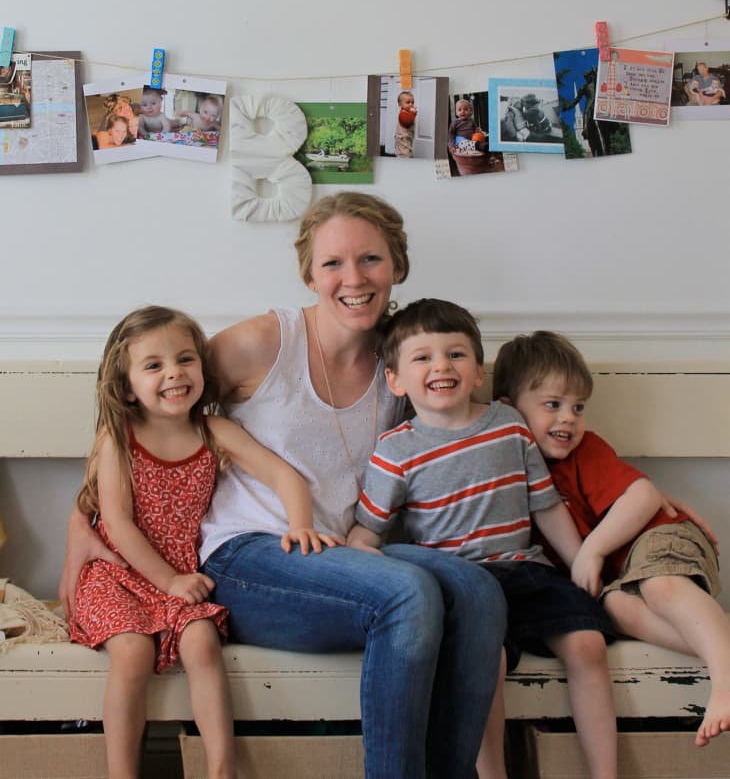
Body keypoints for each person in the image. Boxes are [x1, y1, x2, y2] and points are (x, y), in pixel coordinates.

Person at [60, 193, 508, 779]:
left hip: (336, 552)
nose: (354, 278)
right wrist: (82, 520)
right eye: (333, 264)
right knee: (408, 594)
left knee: (476, 591)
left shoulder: (405, 359)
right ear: (308, 274)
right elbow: (143, 411)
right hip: (246, 557)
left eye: (371, 259)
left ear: (397, 265)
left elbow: (473, 431)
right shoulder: (261, 344)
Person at [349, 299, 617, 779]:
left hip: (528, 570)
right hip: (464, 587)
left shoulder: (509, 425)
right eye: (422, 357)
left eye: (455, 354)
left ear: (478, 371)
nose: (441, 366)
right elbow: (368, 531)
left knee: (588, 644)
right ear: (395, 381)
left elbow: (546, 505)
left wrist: (581, 562)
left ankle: (605, 773)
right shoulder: (396, 452)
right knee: (483, 661)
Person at [70, 305, 338, 779]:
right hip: (117, 576)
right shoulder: (118, 440)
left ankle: (221, 768)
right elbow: (119, 525)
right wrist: (168, 580)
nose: (173, 374)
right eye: (153, 365)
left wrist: (299, 524)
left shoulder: (213, 432)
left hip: (184, 576)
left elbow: (283, 474)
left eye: (185, 359)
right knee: (133, 651)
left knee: (201, 641)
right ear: (127, 385)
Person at [493, 330, 730, 749]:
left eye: (577, 407)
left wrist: (593, 551)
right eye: (553, 405)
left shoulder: (586, 451)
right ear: (509, 411)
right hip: (621, 581)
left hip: (658, 538)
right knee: (616, 608)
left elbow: (643, 496)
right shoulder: (502, 464)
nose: (569, 418)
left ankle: (726, 684)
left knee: (659, 586)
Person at [394, 90, 417, 157]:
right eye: (408, 102)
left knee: (407, 152)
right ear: (400, 104)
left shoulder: (407, 113)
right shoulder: (402, 114)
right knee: (404, 154)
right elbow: (407, 122)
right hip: (402, 140)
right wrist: (413, 113)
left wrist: (412, 113)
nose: (411, 104)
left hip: (407, 140)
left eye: (412, 102)